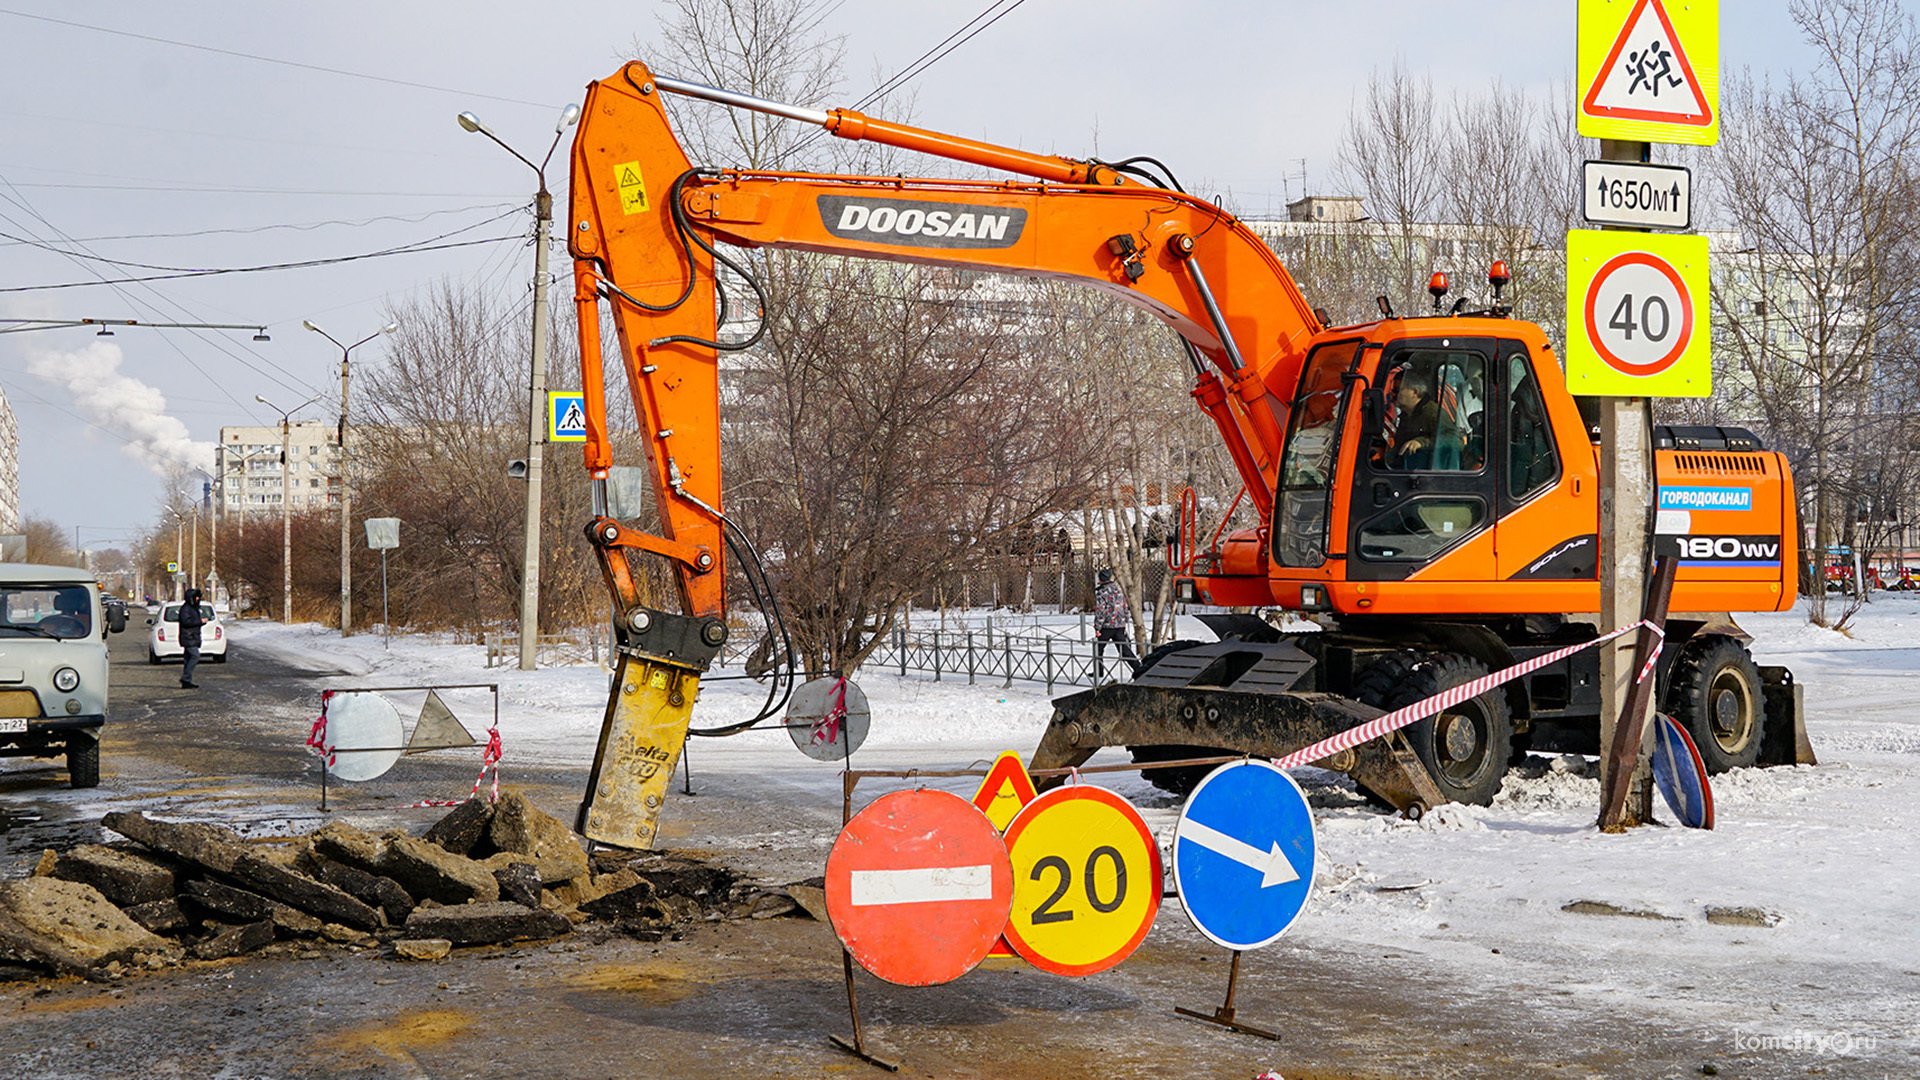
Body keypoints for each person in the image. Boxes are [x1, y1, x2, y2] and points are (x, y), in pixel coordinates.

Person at [1389, 370, 1442, 470]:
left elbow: (1454, 441)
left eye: (1397, 390)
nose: (1393, 395)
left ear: (1415, 392)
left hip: (1425, 473)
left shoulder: (1432, 412)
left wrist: (1421, 442)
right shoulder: (1406, 415)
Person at [1092, 568, 1140, 677]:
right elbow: (1124, 607)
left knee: (1098, 649)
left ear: (1100, 579)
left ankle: (1098, 671)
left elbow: (1101, 611)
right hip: (1119, 624)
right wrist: (1124, 622)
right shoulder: (1118, 590)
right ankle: (1138, 668)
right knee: (1124, 649)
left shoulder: (1101, 592)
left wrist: (1097, 627)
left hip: (1107, 626)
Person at [177, 588, 205, 689]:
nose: (198, 599)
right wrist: (200, 621)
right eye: (196, 597)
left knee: (188, 659)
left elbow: (192, 622)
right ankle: (185, 678)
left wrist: (201, 622)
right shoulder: (186, 609)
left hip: (192, 636)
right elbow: (186, 622)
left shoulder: (193, 608)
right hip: (188, 637)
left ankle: (187, 682)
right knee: (195, 656)